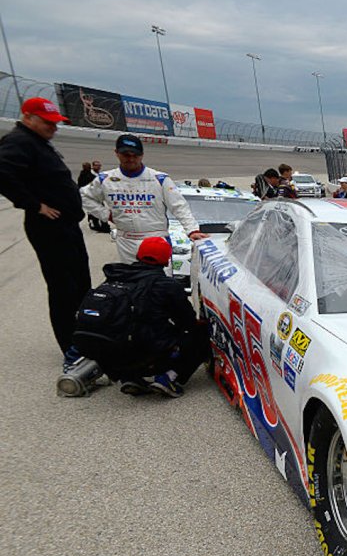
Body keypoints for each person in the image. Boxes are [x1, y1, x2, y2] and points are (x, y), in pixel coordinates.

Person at [0, 97, 93, 365]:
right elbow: (3, 173)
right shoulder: (19, 141)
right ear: (28, 118)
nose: (54, 127)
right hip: (49, 228)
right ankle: (72, 349)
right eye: (48, 122)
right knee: (64, 289)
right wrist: (34, 205)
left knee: (81, 284)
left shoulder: (38, 142)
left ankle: (86, 336)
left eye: (55, 123)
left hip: (67, 226)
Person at [75, 236, 208, 398]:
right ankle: (169, 377)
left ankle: (130, 378)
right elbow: (188, 322)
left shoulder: (114, 277)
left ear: (138, 255)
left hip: (111, 356)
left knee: (134, 330)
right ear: (167, 260)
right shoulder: (166, 285)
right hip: (149, 355)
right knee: (201, 333)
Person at [81, 134, 206, 263]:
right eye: (126, 155)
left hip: (156, 239)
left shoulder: (159, 179)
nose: (131, 159)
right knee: (130, 275)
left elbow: (179, 207)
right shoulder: (105, 179)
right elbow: (84, 196)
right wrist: (105, 214)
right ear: (117, 153)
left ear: (142, 155)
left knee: (157, 276)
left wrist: (192, 230)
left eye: (135, 155)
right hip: (126, 241)